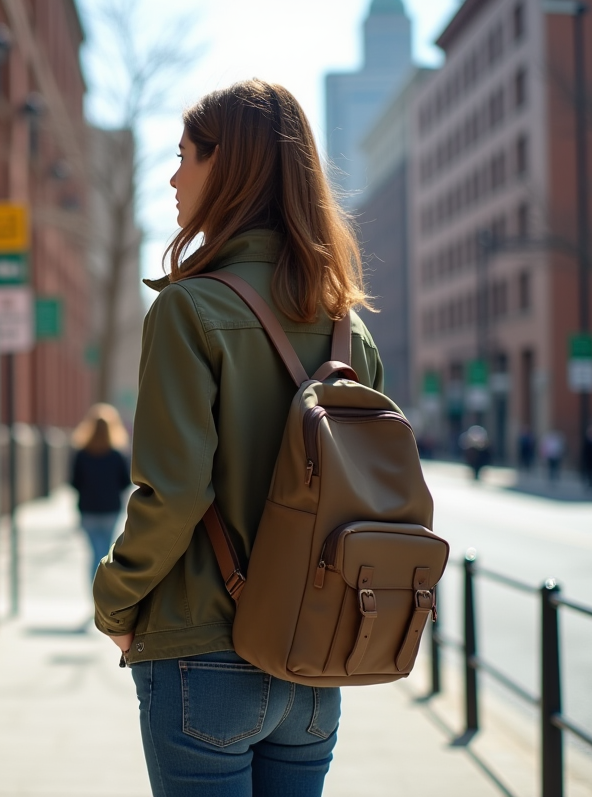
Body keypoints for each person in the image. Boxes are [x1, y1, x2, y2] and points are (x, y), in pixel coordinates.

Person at [92, 79, 383, 796]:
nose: (172, 175)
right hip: (314, 662)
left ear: (230, 167)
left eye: (186, 154)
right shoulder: (352, 328)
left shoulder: (189, 309)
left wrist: (114, 601)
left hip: (201, 655)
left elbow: (175, 490)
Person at [70, 404, 131, 575]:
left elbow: (74, 483)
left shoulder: (82, 455)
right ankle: (102, 591)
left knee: (96, 552)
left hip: (88, 510)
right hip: (110, 509)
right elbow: (125, 482)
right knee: (105, 551)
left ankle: (96, 590)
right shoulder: (117, 455)